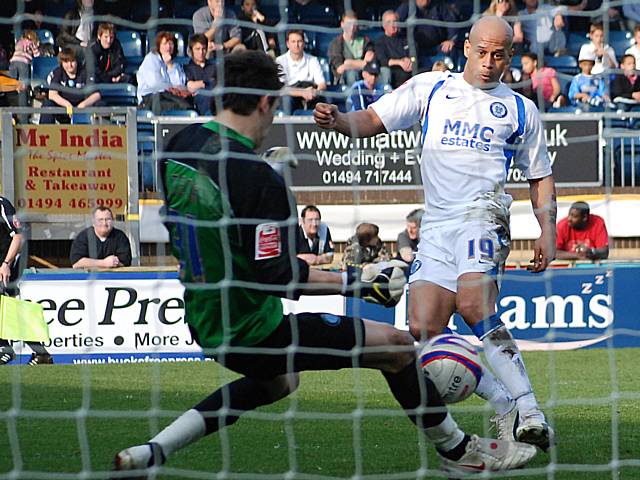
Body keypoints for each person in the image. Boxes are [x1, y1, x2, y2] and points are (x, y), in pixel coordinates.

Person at [113, 50, 537, 477]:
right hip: (256, 329)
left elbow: (211, 216)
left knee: (279, 382)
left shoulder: (175, 147)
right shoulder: (259, 181)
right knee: (396, 348)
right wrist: (357, 281)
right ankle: (460, 451)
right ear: (265, 103)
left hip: (203, 319)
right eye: (275, 108)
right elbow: (279, 277)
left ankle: (153, 450)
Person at [314, 16, 557, 452]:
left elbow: (540, 176)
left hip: (483, 215)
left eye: (498, 55)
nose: (488, 62)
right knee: (422, 327)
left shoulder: (520, 109)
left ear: (509, 57)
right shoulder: (431, 87)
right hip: (438, 223)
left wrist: (547, 230)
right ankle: (504, 404)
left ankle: (531, 408)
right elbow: (372, 118)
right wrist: (338, 121)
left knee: (473, 304)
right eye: (481, 52)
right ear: (466, 47)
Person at [0, 196, 53, 366]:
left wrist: (6, 264)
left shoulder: (2, 205)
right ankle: (41, 353)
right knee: (12, 312)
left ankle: (5, 349)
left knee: (7, 307)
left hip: (7, 263)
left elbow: (18, 237)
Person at [40, 47, 102, 124]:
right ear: (61, 62)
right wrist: (67, 105)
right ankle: (45, 133)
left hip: (82, 108)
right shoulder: (58, 72)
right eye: (66, 62)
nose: (70, 65)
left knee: (101, 104)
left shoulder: (85, 72)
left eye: (72, 61)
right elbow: (52, 95)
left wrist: (82, 105)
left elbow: (97, 94)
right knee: (47, 104)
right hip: (64, 109)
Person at [136, 31, 191, 114]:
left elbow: (179, 83)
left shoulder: (174, 65)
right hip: (150, 98)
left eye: (171, 44)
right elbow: (154, 83)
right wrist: (172, 89)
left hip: (167, 96)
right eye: (165, 44)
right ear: (159, 46)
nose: (168, 47)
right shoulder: (151, 58)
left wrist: (169, 65)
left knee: (185, 104)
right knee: (180, 106)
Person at [276, 30, 327, 112]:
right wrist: (302, 92)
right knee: (286, 100)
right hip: (290, 95)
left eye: (299, 41)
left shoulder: (313, 60)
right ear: (287, 44)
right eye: (293, 42)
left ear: (303, 43)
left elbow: (322, 84)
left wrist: (314, 92)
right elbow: (281, 89)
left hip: (310, 94)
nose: (296, 45)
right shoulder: (280, 61)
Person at [328, 11, 375, 85]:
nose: (352, 27)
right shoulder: (336, 44)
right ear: (342, 24)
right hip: (344, 79)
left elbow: (370, 61)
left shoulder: (365, 41)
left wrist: (349, 63)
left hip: (365, 75)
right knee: (352, 74)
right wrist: (362, 63)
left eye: (354, 24)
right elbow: (340, 68)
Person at [374, 10, 414, 89]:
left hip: (408, 72)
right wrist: (399, 62)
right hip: (392, 74)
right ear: (384, 25)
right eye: (389, 22)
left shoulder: (406, 39)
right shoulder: (380, 42)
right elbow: (382, 60)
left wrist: (411, 60)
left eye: (395, 22)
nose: (392, 25)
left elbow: (414, 55)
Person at [184, 33, 217, 115]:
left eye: (203, 49)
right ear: (191, 50)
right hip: (201, 101)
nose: (201, 52)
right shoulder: (187, 68)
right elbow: (191, 87)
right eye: (197, 49)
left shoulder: (214, 66)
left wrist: (201, 84)